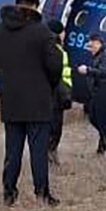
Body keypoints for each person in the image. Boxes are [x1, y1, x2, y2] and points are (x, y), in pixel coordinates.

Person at [0, 0, 62, 207]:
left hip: (11, 100)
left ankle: (9, 192)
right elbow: (55, 64)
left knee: (12, 151)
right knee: (38, 152)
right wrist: (49, 84)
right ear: (35, 6)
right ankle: (42, 194)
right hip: (38, 101)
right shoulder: (42, 32)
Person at [80, 34, 106, 154]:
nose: (90, 49)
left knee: (101, 118)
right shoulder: (99, 55)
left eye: (91, 46)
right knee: (95, 117)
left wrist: (88, 70)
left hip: (105, 91)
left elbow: (104, 72)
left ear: (98, 43)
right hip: (98, 90)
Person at [47, 20, 73, 165]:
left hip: (57, 94)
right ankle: (50, 157)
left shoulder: (54, 49)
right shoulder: (55, 51)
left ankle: (50, 155)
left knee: (54, 128)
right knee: (54, 128)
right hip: (55, 94)